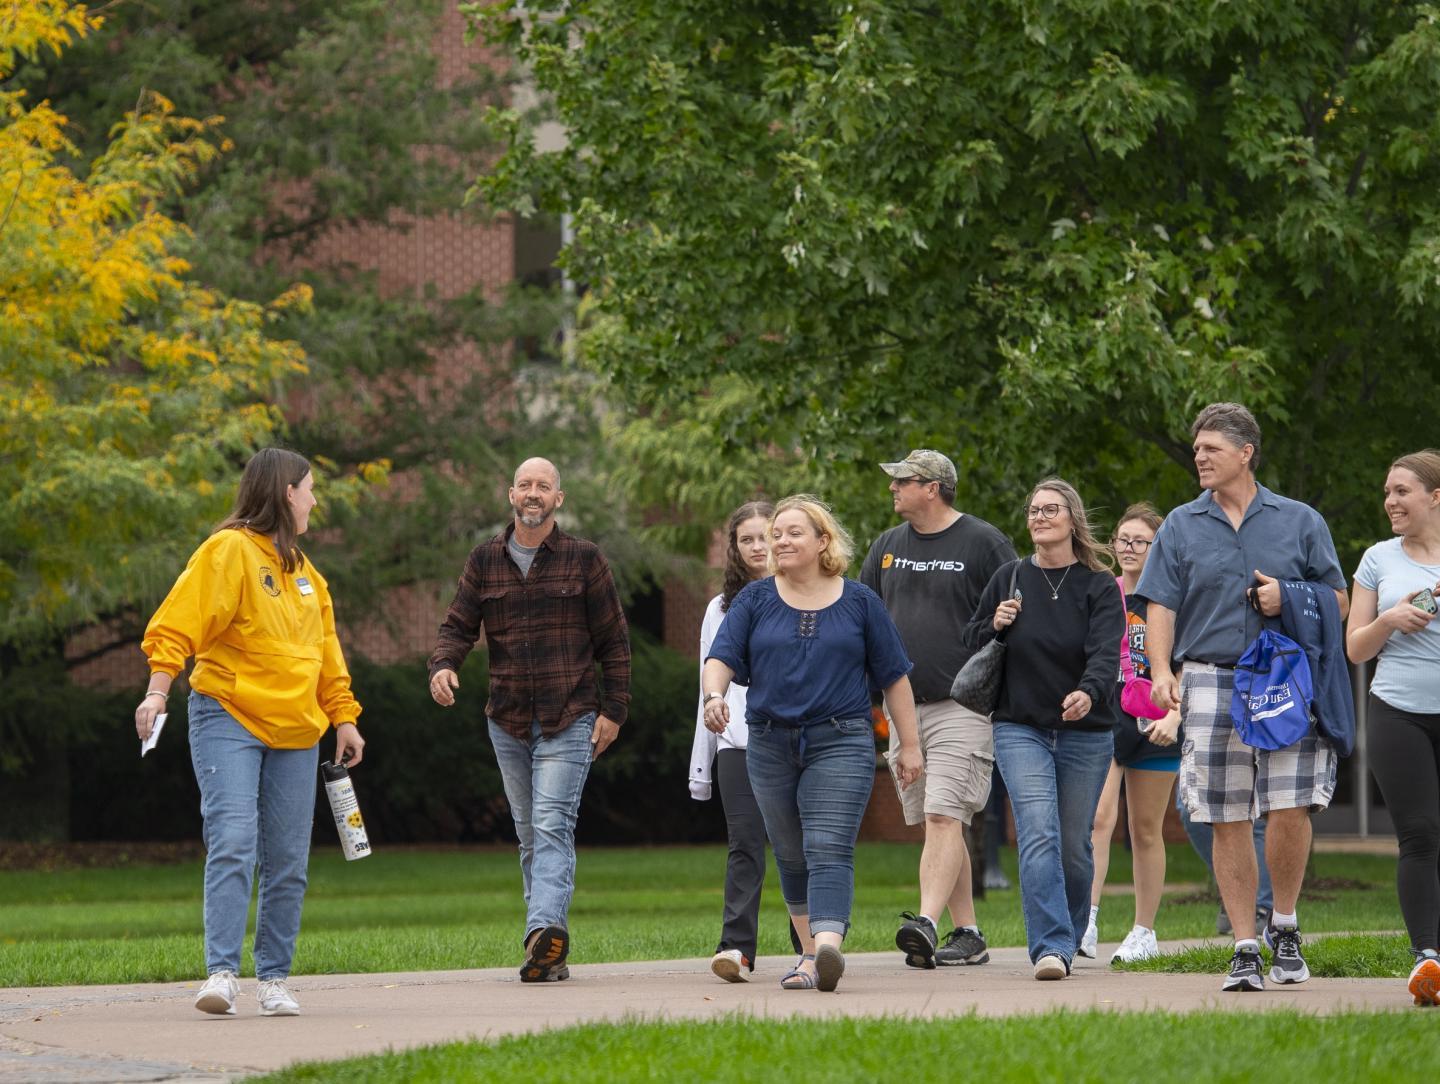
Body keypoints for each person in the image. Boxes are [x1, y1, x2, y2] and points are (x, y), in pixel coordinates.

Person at [136, 448, 365, 1018]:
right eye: (310, 489)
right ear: (288, 492)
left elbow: (326, 653)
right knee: (235, 838)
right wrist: (158, 690)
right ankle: (220, 974)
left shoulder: (308, 574)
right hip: (228, 716)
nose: (315, 500)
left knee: (288, 858)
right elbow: (178, 622)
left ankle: (274, 979)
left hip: (297, 729)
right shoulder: (229, 550)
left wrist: (344, 716)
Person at [1137, 402, 1349, 992]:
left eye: (1210, 448)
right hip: (1209, 676)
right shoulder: (1180, 523)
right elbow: (1160, 604)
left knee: (1289, 804)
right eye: (1197, 448)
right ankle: (1244, 945)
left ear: (1246, 452)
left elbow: (1339, 602)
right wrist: (1160, 670)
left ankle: (1284, 925)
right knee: (1226, 812)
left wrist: (1290, 595)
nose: (1198, 456)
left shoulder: (1300, 520)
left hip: (1284, 677)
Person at [701, 495, 923, 992]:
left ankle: (827, 946)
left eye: (792, 532)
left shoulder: (860, 601)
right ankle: (808, 955)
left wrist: (909, 746)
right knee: (790, 851)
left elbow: (895, 679)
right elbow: (720, 659)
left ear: (823, 541)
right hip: (768, 741)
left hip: (840, 739)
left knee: (828, 844)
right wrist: (713, 695)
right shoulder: (754, 601)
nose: (779, 540)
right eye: (776, 533)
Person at [428, 457, 631, 983]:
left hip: (571, 714)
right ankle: (548, 953)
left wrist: (614, 711)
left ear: (558, 499)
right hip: (508, 718)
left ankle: (541, 930)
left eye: (544, 486)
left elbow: (615, 642)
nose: (533, 493)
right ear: (510, 495)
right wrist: (444, 666)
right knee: (529, 835)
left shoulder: (586, 560)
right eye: (525, 485)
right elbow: (457, 625)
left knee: (551, 826)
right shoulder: (484, 561)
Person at [859, 449, 1016, 969]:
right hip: (904, 711)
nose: (892, 488)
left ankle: (924, 922)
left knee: (944, 814)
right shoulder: (886, 548)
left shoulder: (984, 542)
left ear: (932, 487)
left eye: (901, 480)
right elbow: (863, 620)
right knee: (939, 823)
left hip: (964, 705)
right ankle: (967, 932)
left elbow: (1017, 615)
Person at [966, 478, 1123, 981]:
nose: (1038, 517)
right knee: (1037, 833)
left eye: (1049, 509)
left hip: (1086, 730)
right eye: (1033, 510)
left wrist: (1089, 692)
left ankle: (1070, 936)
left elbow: (1105, 653)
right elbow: (969, 640)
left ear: (1072, 519)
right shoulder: (1010, 577)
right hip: (1020, 727)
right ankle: (1051, 946)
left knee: (1074, 845)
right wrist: (996, 622)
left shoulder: (1099, 585)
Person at [688, 499, 800, 982]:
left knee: (801, 845)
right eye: (746, 539)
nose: (758, 546)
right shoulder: (721, 608)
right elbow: (709, 680)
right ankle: (736, 947)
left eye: (765, 535)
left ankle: (814, 944)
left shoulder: (807, 595)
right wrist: (705, 754)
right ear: (734, 549)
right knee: (746, 844)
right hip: (737, 741)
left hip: (797, 738)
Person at [1344, 449, 1440, 1007]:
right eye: (1387, 491)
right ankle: (1427, 958)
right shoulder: (1377, 559)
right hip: (1397, 710)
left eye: (1402, 491)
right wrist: (1389, 618)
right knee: (1422, 834)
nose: (1390, 501)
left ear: (1434, 497)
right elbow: (1356, 648)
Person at [1081, 503, 1181, 964]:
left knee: (1145, 829)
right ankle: (1087, 919)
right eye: (1122, 539)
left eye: (1139, 541)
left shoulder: (1171, 600)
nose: (1128, 547)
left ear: (1157, 547)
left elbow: (1185, 662)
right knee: (1099, 819)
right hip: (1107, 715)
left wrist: (1175, 715)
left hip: (1158, 719)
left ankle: (1144, 931)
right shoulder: (1105, 592)